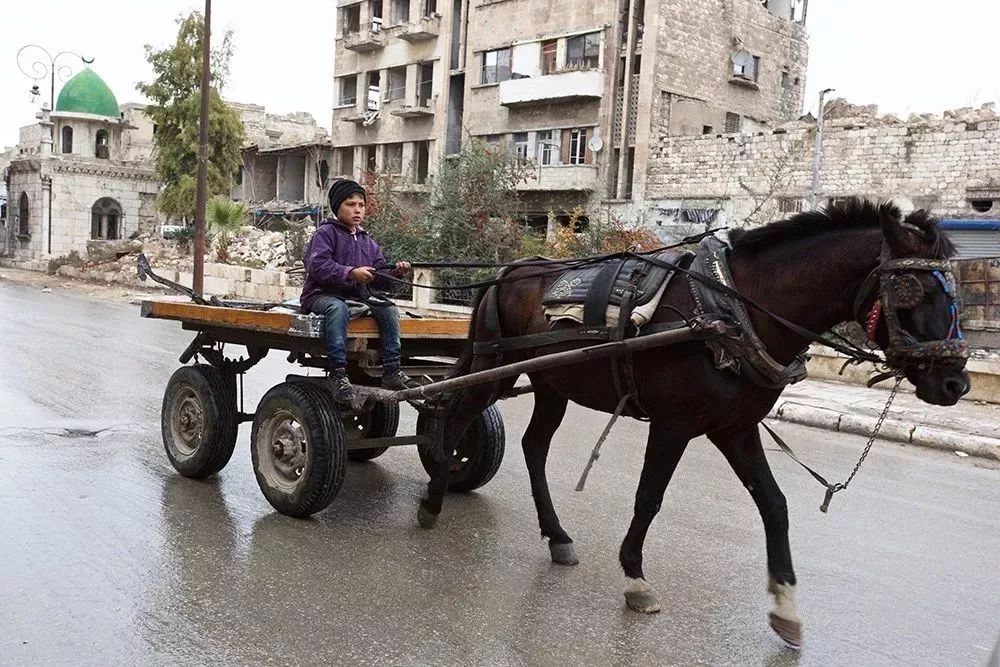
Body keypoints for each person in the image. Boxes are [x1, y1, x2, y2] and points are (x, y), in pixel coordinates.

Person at [300, 178, 420, 402]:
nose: (357, 210)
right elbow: (317, 266)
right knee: (337, 309)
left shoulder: (368, 241)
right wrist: (350, 273)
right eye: (350, 204)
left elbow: (379, 276)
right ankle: (338, 374)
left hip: (358, 297)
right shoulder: (325, 233)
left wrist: (396, 272)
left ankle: (392, 371)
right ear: (337, 207)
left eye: (361, 205)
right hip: (321, 296)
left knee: (388, 309)